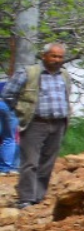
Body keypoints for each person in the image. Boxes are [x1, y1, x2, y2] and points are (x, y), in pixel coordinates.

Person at [2, 42, 70, 207]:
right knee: (30, 162)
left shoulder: (64, 75)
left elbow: (67, 95)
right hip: (35, 123)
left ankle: (38, 197)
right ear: (44, 56)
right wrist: (20, 112)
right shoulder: (28, 73)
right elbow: (8, 94)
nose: (57, 60)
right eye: (53, 56)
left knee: (47, 162)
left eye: (60, 57)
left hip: (58, 123)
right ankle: (26, 198)